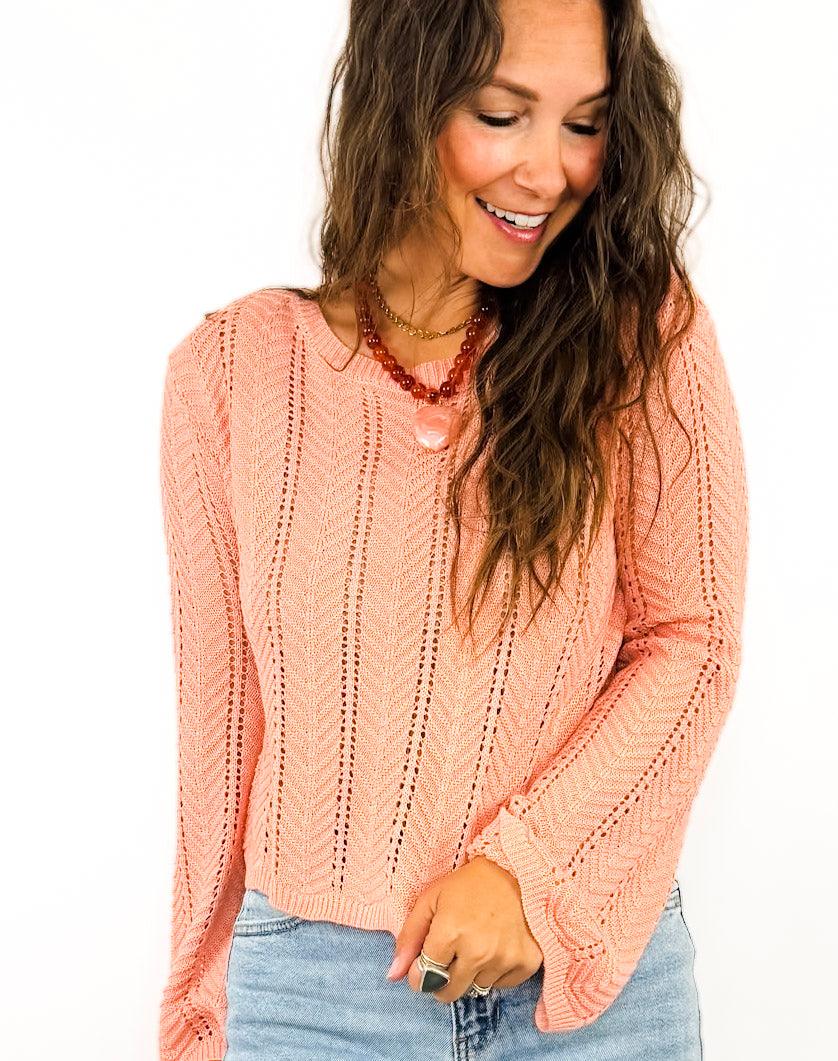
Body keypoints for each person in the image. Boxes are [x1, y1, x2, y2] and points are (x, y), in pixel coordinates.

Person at [157, 0, 748, 1058]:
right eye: (502, 115)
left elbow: (692, 641)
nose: (549, 170)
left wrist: (530, 868)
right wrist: (198, 1014)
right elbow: (222, 734)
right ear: (404, 96)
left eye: (584, 123)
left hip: (589, 986)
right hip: (313, 1003)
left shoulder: (639, 333)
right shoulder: (231, 373)